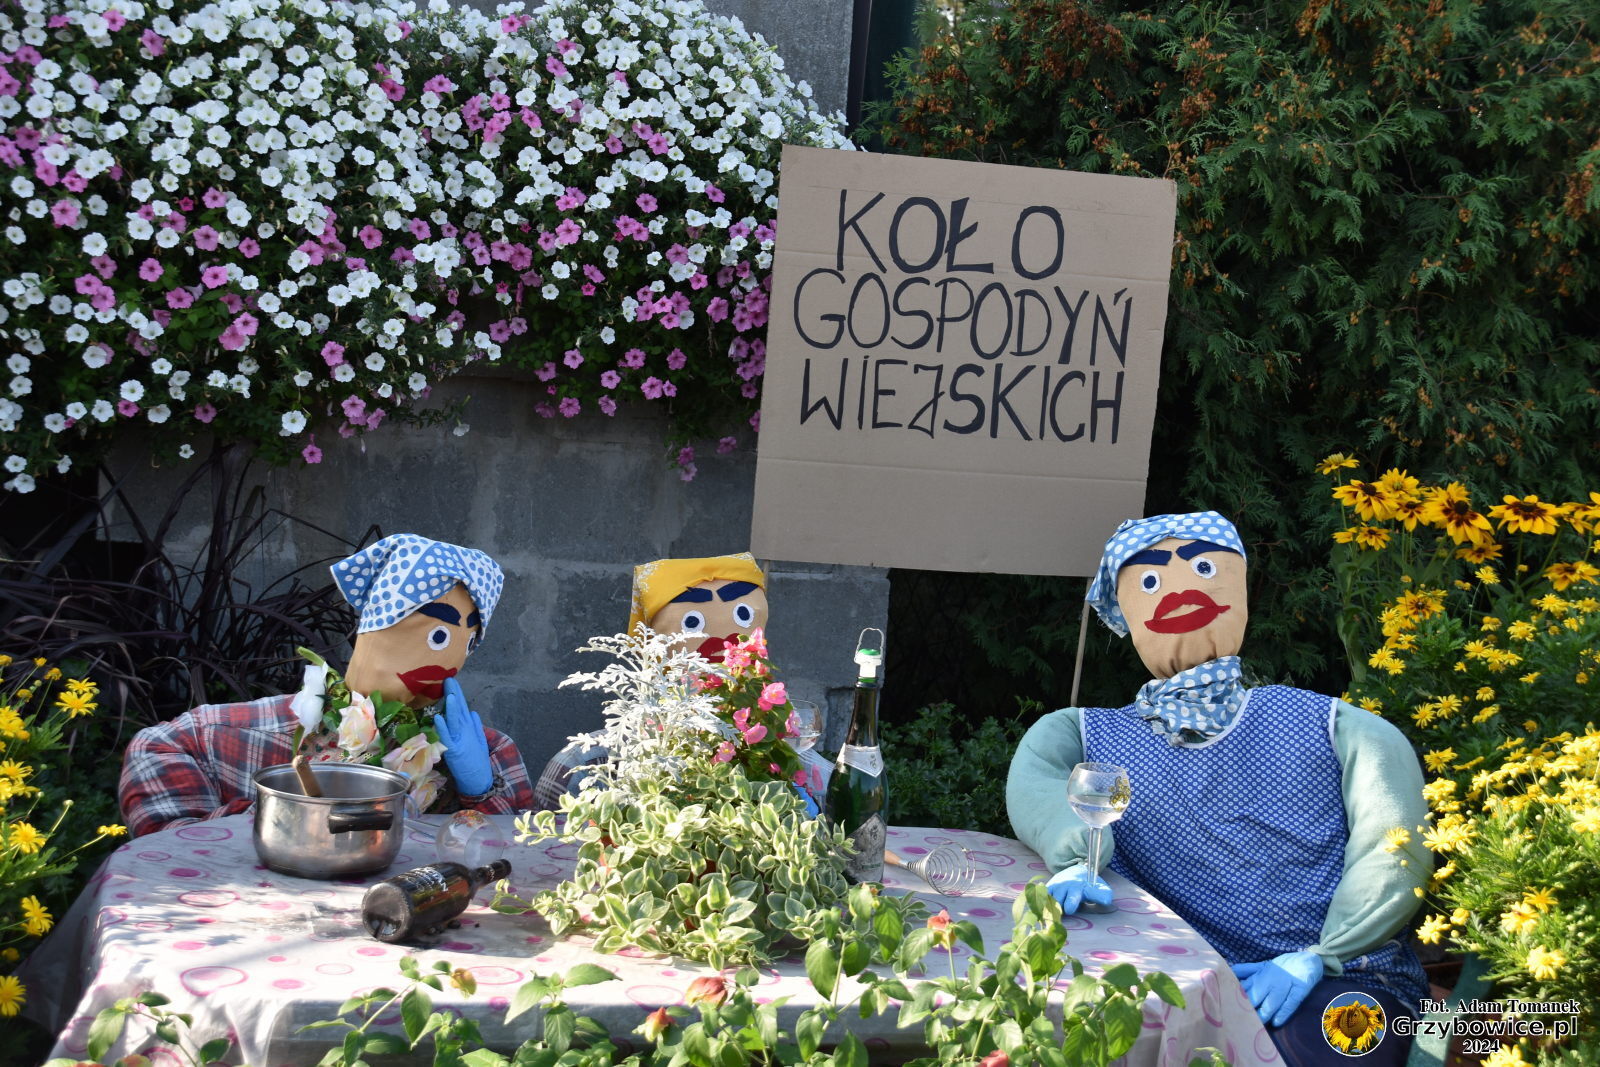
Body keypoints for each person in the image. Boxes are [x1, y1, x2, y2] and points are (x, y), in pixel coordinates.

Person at [1006, 512, 1429, 1066]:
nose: (1180, 590)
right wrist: (1075, 854)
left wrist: (1324, 954)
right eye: (1150, 581)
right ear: (1128, 613)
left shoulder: (1332, 726)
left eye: (1204, 568)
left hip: (1348, 978)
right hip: (1177, 983)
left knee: (1338, 1049)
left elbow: (1393, 845)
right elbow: (1036, 778)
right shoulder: (1090, 735)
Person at [119, 534, 535, 837]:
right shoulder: (249, 732)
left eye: (466, 641)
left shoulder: (490, 753)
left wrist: (481, 791)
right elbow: (155, 753)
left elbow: (522, 856)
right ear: (376, 627)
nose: (446, 662)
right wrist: (277, 816)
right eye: (436, 635)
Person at [533, 552, 830, 811]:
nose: (721, 645)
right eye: (691, 623)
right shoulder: (589, 766)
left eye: (743, 616)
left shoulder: (799, 770)